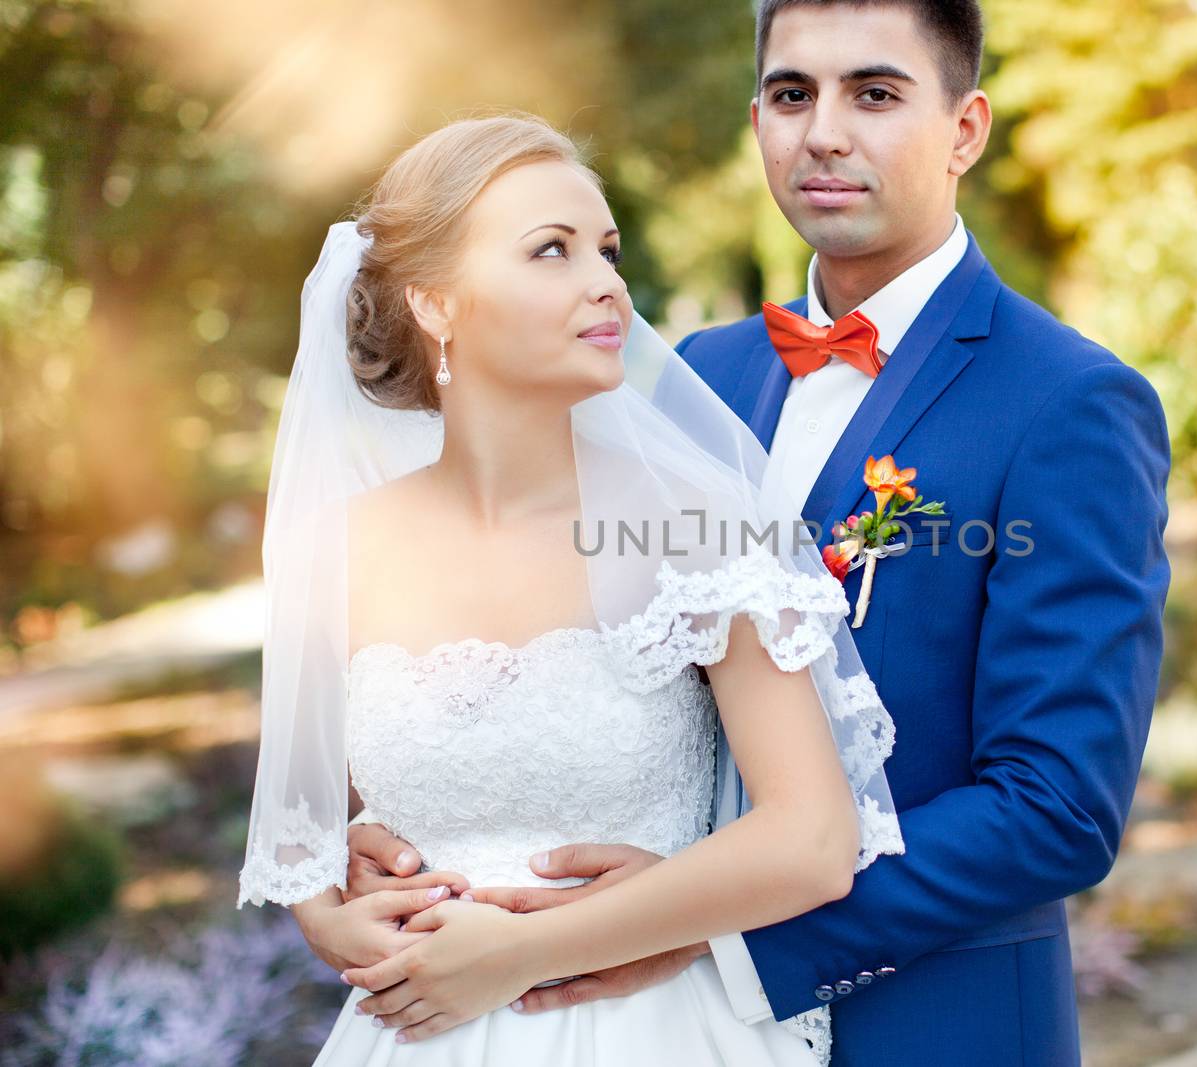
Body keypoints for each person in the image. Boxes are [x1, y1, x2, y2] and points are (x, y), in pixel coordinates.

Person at [335, 2, 1172, 1064]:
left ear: (965, 129)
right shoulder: (693, 375)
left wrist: (706, 932)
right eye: (792, 94)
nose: (823, 131)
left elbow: (1056, 804)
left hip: (927, 1021)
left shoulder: (1067, 403)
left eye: (874, 93)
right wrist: (410, 822)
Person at [238, 113, 904, 1066]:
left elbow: (812, 839)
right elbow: (308, 821)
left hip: (656, 1031)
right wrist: (326, 908)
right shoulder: (339, 545)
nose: (607, 283)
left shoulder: (698, 520)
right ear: (434, 303)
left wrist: (523, 949)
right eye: (551, 250)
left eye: (606, 249)